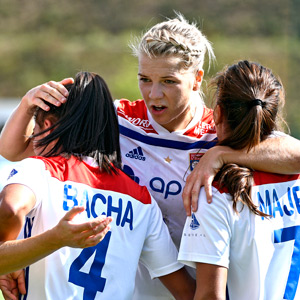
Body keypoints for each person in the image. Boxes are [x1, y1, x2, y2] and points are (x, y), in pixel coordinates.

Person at [1, 13, 300, 300]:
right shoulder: (118, 119)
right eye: (145, 79)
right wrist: (29, 102)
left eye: (169, 81)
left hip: (200, 291)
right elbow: (13, 150)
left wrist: (221, 154)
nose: (154, 94)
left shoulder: (218, 132)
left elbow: (295, 155)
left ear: (196, 78)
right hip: (125, 289)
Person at [0, 71, 195, 300]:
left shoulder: (40, 170)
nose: (32, 141)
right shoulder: (142, 199)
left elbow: (10, 209)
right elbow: (185, 291)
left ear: (49, 126)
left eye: (34, 131)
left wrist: (10, 251)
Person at [178, 60, 300, 300]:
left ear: (218, 113)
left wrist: (221, 154)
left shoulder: (215, 192)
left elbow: (209, 296)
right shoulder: (295, 173)